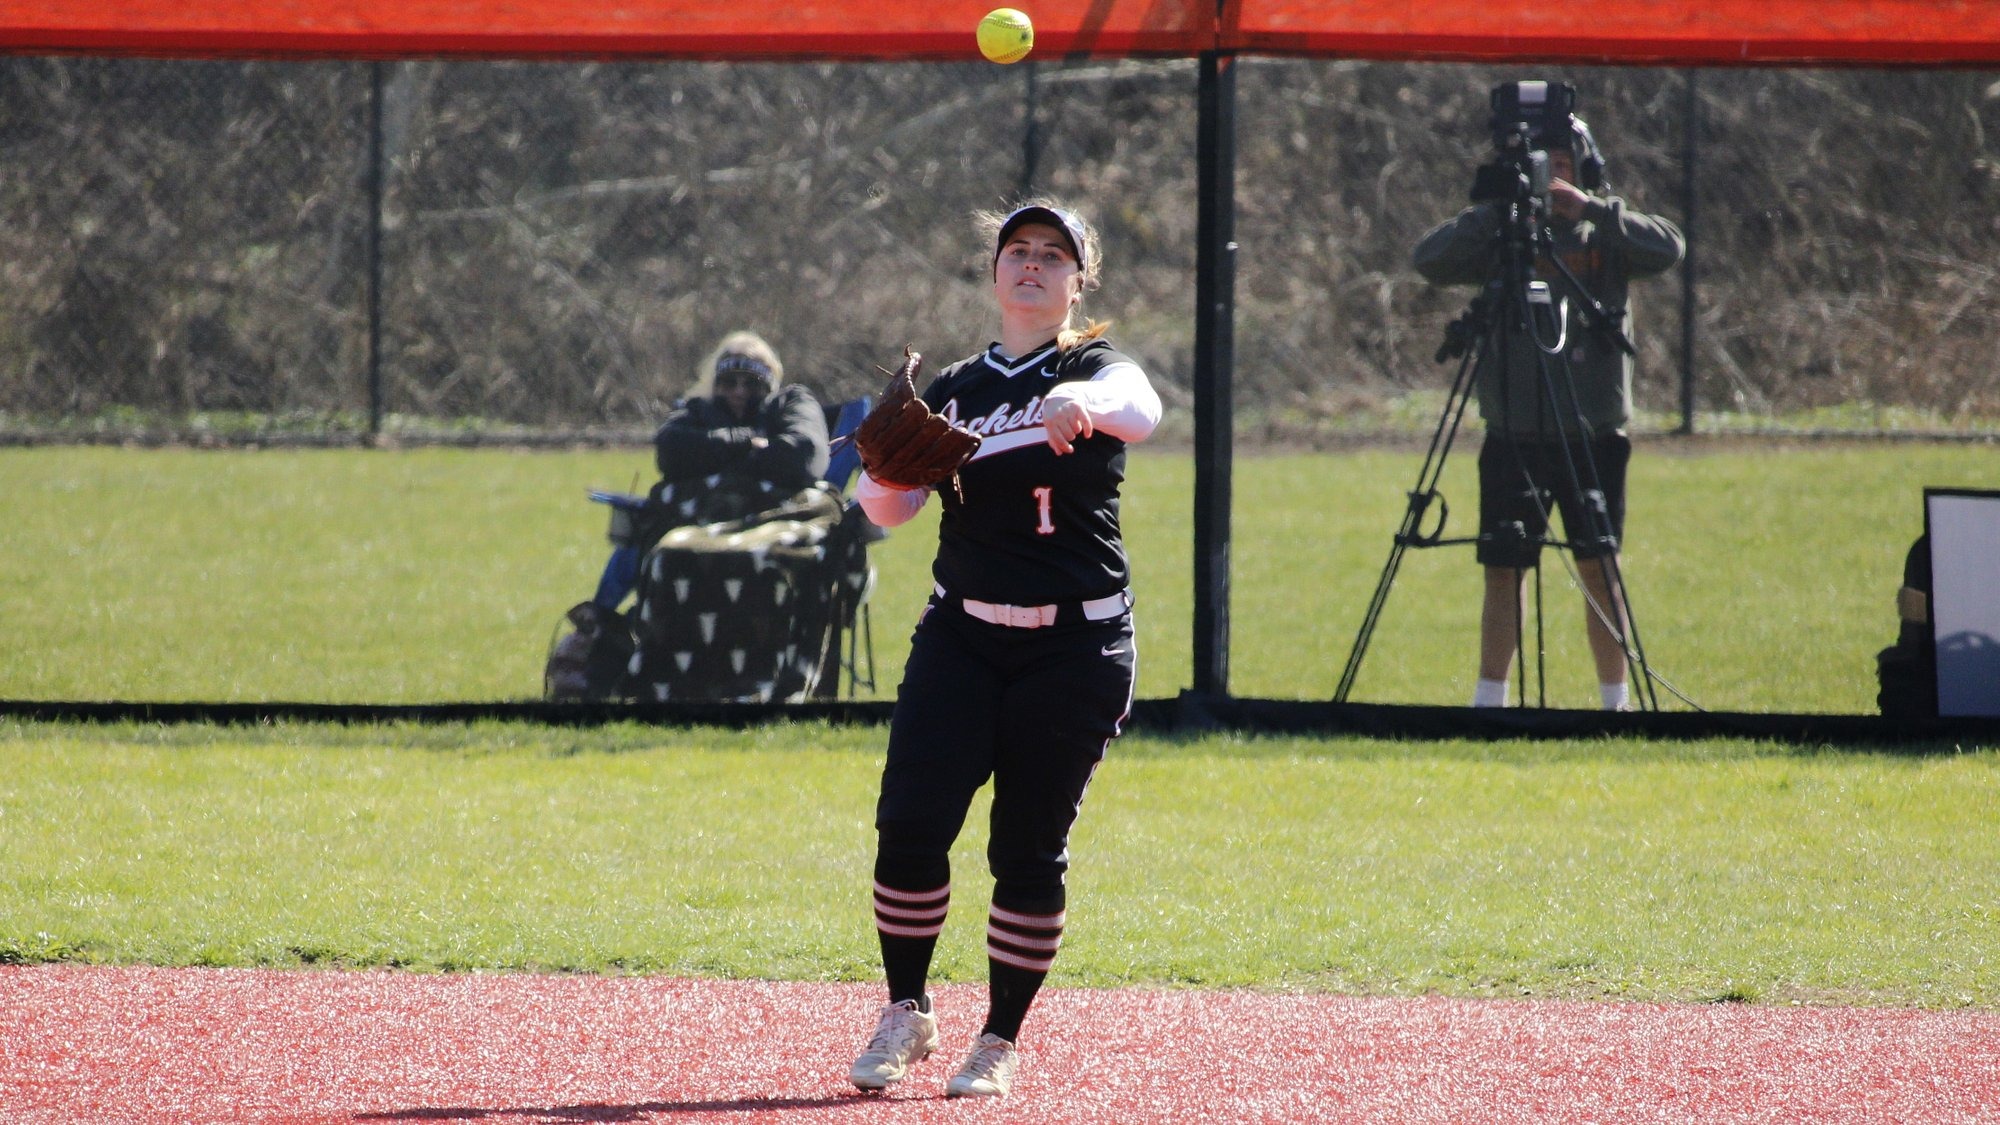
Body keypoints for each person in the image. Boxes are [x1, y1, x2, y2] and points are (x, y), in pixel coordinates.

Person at [845, 202, 1162, 1098]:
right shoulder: (953, 387)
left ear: (1076, 282)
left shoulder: (1095, 368)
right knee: (909, 824)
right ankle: (906, 1010)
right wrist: (878, 473)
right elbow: (893, 512)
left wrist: (1081, 400)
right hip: (962, 635)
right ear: (994, 274)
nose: (1031, 265)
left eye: (1052, 256)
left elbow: (1142, 406)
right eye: (1017, 251)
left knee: (1026, 848)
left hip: (1077, 646)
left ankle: (998, 1038)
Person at [1413, 97, 1684, 711]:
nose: (1551, 175)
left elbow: (1669, 248)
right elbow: (1428, 260)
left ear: (1585, 167)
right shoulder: (1502, 235)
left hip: (1593, 432)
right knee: (1504, 567)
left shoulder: (1602, 232)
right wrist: (1496, 213)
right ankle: (1490, 701)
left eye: (1562, 162)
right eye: (1540, 165)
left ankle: (1616, 704)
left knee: (1597, 564)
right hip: (1514, 432)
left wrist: (1591, 209)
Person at [544, 331, 828, 700]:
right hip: (695, 523)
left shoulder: (792, 403)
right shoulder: (694, 411)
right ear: (714, 384)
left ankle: (764, 685)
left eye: (753, 383)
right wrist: (751, 443)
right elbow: (672, 454)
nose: (740, 391)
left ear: (771, 383)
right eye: (728, 382)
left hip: (771, 522)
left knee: (760, 561)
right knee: (671, 556)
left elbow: (804, 458)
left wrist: (714, 448)